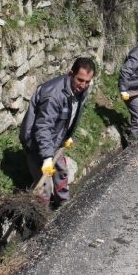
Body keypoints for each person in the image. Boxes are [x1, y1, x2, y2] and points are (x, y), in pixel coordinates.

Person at [19, 57, 96, 207]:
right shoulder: (53, 94)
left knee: (61, 171)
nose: (83, 85)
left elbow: (73, 113)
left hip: (56, 139)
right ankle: (43, 216)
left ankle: (64, 205)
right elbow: (43, 127)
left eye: (87, 81)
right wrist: (47, 158)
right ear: (70, 74)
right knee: (44, 186)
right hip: (36, 141)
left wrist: (68, 135)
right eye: (80, 80)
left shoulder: (80, 90)